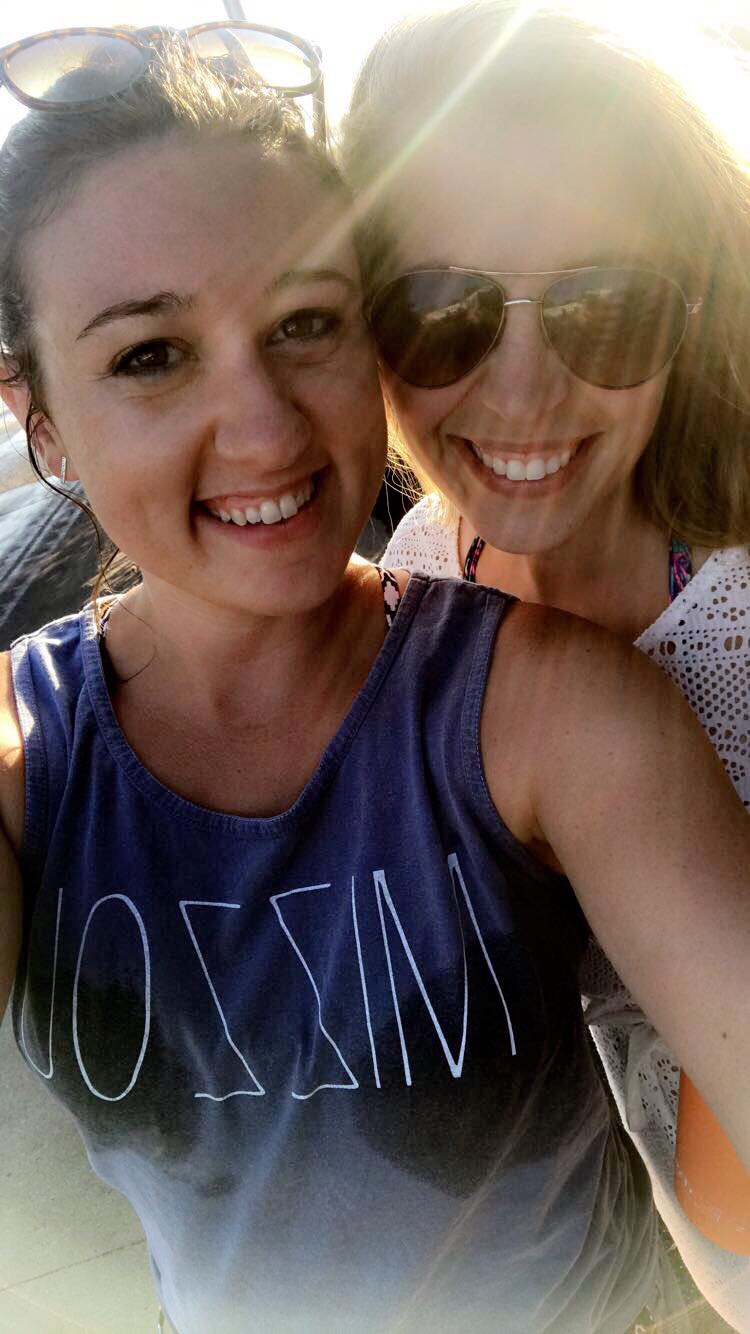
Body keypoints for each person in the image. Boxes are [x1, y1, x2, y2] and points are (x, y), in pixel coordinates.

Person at [0, 31, 749, 1334]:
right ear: (38, 417)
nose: (267, 428)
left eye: (303, 323)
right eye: (150, 354)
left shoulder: (574, 700)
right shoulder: (428, 555)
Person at [339, 1, 750, 1323]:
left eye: (607, 306)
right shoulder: (427, 557)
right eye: (439, 310)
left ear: (692, 307)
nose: (522, 395)